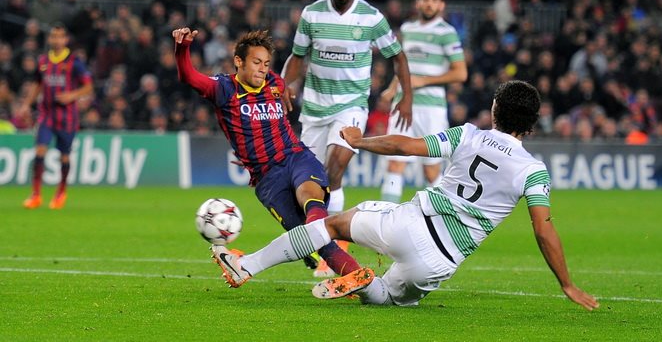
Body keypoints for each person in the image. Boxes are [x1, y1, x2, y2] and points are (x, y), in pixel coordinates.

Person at [211, 80, 599, 311]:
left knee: (331, 225)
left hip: (411, 224)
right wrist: (566, 284)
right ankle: (366, 284)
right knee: (388, 298)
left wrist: (360, 141)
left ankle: (247, 267)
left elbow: (407, 146)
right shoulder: (534, 171)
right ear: (530, 127)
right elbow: (543, 229)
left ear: (495, 109)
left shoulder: (468, 135)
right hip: (439, 263)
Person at [172, 27, 361, 277]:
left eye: (266, 63)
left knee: (312, 203)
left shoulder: (274, 83)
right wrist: (182, 48)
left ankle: (320, 252)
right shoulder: (224, 89)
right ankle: (357, 278)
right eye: (256, 62)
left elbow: (282, 86)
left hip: (296, 158)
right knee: (314, 239)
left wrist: (285, 92)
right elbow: (188, 77)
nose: (263, 69)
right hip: (268, 178)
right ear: (238, 61)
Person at [282, 0, 413, 276]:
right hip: (314, 109)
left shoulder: (371, 18)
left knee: (335, 169)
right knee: (309, 184)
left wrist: (406, 97)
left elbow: (398, 57)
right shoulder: (312, 14)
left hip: (351, 106)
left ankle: (335, 247)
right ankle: (316, 238)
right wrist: (283, 87)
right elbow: (297, 56)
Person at [379, 0, 468, 202]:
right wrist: (392, 88)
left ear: (441, 5)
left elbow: (460, 73)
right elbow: (403, 65)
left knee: (431, 170)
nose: (429, 4)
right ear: (418, 3)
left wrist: (424, 81)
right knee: (395, 162)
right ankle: (385, 215)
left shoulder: (447, 33)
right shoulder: (408, 29)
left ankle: (439, 215)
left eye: (434, 0)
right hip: (403, 104)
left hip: (431, 109)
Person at [20, 23, 94, 209]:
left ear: (65, 39)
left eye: (60, 36)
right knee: (40, 150)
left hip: (67, 117)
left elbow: (88, 86)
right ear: (50, 38)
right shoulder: (43, 61)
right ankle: (36, 194)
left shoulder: (74, 62)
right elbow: (37, 84)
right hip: (46, 114)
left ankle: (61, 192)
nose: (56, 40)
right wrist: (26, 104)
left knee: (64, 157)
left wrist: (71, 95)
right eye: (53, 36)